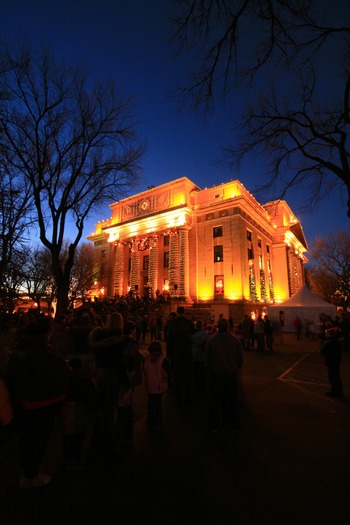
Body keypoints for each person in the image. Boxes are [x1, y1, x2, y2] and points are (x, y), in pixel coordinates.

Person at [7, 316, 70, 489]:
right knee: (38, 439)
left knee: (27, 438)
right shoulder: (42, 350)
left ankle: (28, 469)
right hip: (41, 402)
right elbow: (52, 377)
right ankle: (31, 475)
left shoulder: (20, 346)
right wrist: (65, 372)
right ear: (46, 331)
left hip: (25, 399)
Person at [88, 312, 124, 449]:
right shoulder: (119, 338)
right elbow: (120, 360)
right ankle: (108, 436)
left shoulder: (98, 336)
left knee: (99, 404)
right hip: (112, 374)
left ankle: (95, 433)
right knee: (110, 407)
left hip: (99, 372)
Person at [205, 317, 243, 432]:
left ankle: (214, 425)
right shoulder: (235, 340)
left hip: (216, 376)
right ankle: (235, 424)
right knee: (232, 401)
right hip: (231, 375)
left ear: (217, 327)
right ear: (227, 327)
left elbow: (207, 360)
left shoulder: (211, 341)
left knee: (215, 401)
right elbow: (240, 359)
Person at [166, 306, 195, 408]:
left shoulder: (171, 323)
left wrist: (168, 353)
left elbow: (169, 339)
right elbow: (192, 335)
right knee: (188, 374)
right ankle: (189, 397)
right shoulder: (189, 323)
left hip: (176, 351)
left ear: (177, 312)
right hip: (187, 351)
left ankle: (177, 397)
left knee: (177, 374)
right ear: (184, 312)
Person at [143, 340, 171, 429]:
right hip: (159, 386)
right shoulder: (163, 360)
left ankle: (150, 421)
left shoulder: (146, 359)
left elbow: (145, 371)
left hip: (150, 386)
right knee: (158, 405)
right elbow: (168, 373)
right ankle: (159, 422)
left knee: (151, 404)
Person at [320, 325, 343, 399]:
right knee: (335, 378)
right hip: (335, 362)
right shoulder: (336, 342)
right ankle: (336, 392)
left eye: (327, 334)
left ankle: (336, 392)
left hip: (331, 363)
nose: (326, 335)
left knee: (333, 378)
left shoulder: (330, 342)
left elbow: (323, 352)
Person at [191, 320, 210, 393]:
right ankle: (202, 387)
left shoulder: (192, 333)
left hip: (193, 354)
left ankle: (195, 386)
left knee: (195, 371)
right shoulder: (205, 333)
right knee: (202, 372)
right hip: (202, 355)